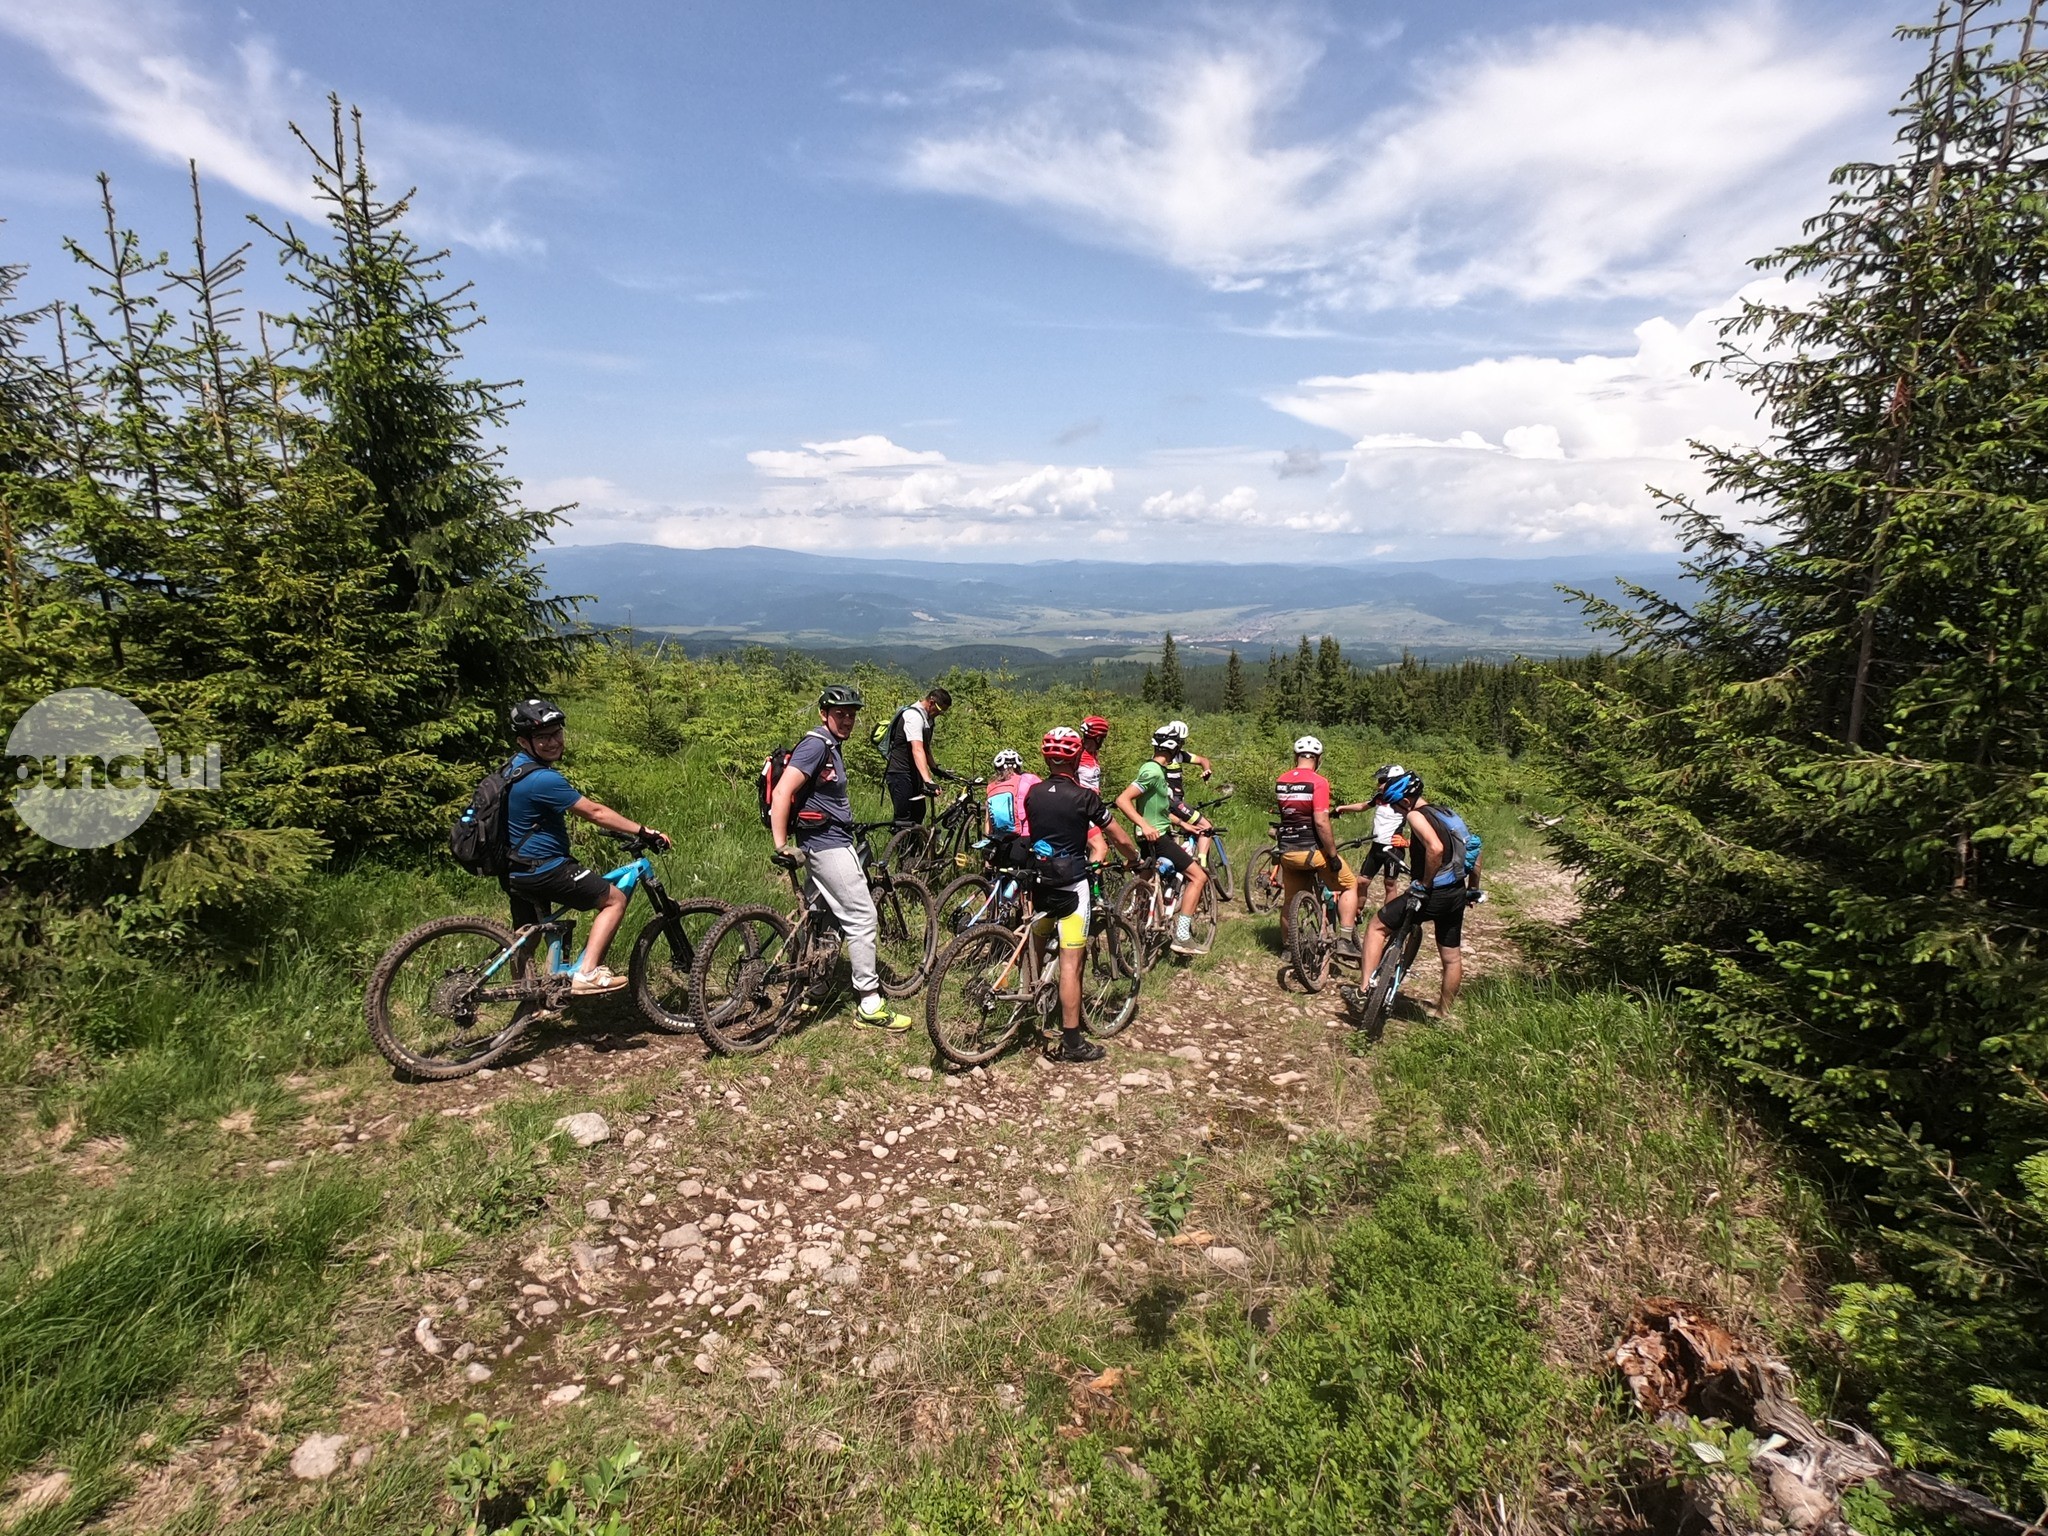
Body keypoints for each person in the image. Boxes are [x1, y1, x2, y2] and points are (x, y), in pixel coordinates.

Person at [502, 698, 670, 995]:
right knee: (614, 899)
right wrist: (644, 831)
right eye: (543, 737)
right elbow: (595, 813)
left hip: (515, 868)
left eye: (557, 733)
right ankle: (587, 972)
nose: (553, 742)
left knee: (527, 936)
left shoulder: (514, 768)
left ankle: (525, 999)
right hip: (545, 867)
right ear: (523, 741)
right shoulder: (543, 779)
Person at [768, 684, 911, 1032]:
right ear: (823, 714)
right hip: (825, 845)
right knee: (862, 917)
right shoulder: (816, 745)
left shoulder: (830, 745)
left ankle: (814, 984)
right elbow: (782, 791)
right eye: (840, 713)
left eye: (851, 714)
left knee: (822, 915)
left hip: (830, 837)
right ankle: (869, 1002)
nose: (847, 719)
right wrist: (781, 844)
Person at [1025, 726, 1142, 1063]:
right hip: (1072, 885)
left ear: (1046, 757)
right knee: (1071, 964)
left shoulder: (1033, 792)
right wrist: (1134, 858)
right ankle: (1072, 1042)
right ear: (1076, 757)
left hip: (1040, 881)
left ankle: (1032, 1003)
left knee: (1036, 943)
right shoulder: (1084, 797)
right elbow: (1117, 837)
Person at [1357, 770, 1482, 1019]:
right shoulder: (1447, 813)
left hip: (1432, 893)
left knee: (1376, 927)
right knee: (1451, 958)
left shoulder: (1415, 815)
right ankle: (1443, 1013)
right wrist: (1471, 889)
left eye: (1396, 807)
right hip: (1456, 892)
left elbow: (1435, 848)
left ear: (1405, 801)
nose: (1398, 813)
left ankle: (1363, 991)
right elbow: (1475, 852)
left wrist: (1424, 884)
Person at [1116, 728, 1212, 956]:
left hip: (1155, 834)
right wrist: (1145, 825)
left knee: (1147, 880)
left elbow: (1156, 807)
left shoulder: (1155, 769)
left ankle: (1137, 930)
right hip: (1157, 837)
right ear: (1175, 749)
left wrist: (1182, 824)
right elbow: (1123, 799)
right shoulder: (1154, 772)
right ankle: (1182, 935)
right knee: (1198, 877)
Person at [1273, 734, 1363, 960]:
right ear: (1318, 758)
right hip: (1312, 852)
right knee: (1350, 884)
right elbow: (1321, 821)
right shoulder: (1318, 782)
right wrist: (1332, 855)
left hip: (1287, 851)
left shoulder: (1282, 779)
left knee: (1290, 900)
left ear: (1296, 756)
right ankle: (1344, 939)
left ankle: (1287, 947)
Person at [883, 685, 956, 831]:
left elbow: (926, 748)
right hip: (899, 773)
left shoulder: (927, 719)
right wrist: (928, 781)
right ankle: (897, 851)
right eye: (940, 710)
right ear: (931, 701)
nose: (939, 714)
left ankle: (914, 851)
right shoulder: (913, 716)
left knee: (918, 813)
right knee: (904, 818)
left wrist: (935, 769)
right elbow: (917, 749)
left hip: (913, 774)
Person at [1157, 719, 1216, 866]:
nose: (1181, 745)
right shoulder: (1163, 760)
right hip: (1173, 803)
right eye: (1179, 742)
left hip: (1176, 802)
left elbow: (1203, 759)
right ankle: (1202, 864)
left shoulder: (1179, 755)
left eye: (1182, 742)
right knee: (1206, 827)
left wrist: (1206, 770)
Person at [1361, 763, 1412, 905]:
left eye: (1383, 781)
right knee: (1362, 881)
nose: (1379, 784)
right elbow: (1363, 806)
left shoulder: (1405, 801)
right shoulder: (1379, 797)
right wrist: (1340, 809)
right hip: (1376, 846)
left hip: (1393, 849)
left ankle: (1387, 921)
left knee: (1389, 884)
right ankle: (1356, 915)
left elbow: (1424, 826)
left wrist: (1408, 842)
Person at [984, 748, 1040, 840]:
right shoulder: (1029, 779)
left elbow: (988, 826)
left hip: (999, 838)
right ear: (1018, 767)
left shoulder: (992, 787)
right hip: (1025, 836)